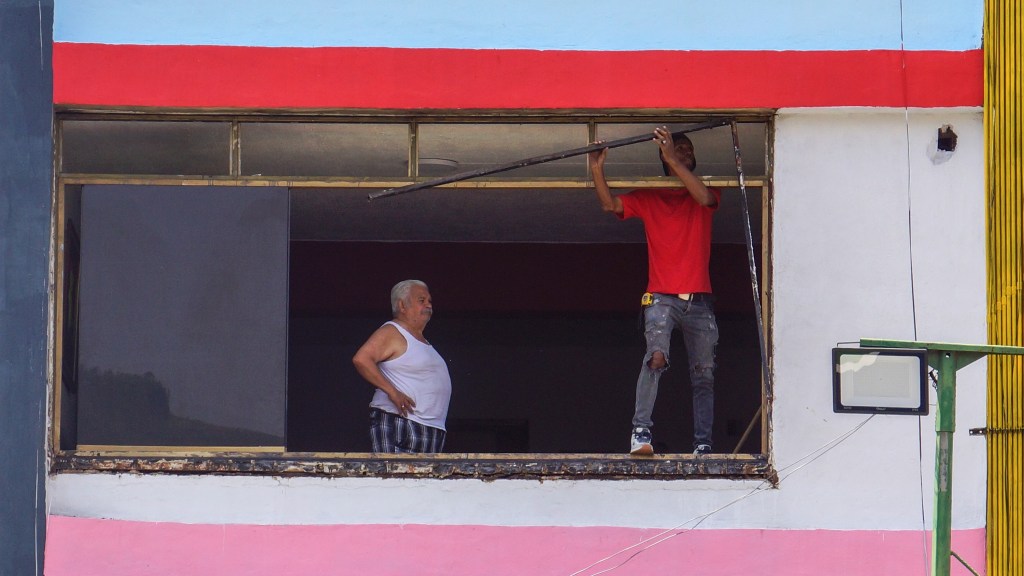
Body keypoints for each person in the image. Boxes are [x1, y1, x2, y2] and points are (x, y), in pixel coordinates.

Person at [589, 126, 721, 456]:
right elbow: (609, 205)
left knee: (704, 374)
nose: (685, 152)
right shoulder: (650, 196)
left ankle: (703, 444)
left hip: (700, 301)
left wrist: (671, 158)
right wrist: (596, 168)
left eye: (688, 149)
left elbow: (704, 198)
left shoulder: (706, 190)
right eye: (679, 148)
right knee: (656, 358)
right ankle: (640, 432)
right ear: (663, 158)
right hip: (661, 297)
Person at [352, 279, 452, 453]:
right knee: (392, 471)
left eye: (429, 301)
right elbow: (362, 359)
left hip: (430, 429)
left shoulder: (422, 341)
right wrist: (393, 392)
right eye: (421, 300)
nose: (428, 305)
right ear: (402, 305)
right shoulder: (393, 331)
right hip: (401, 423)